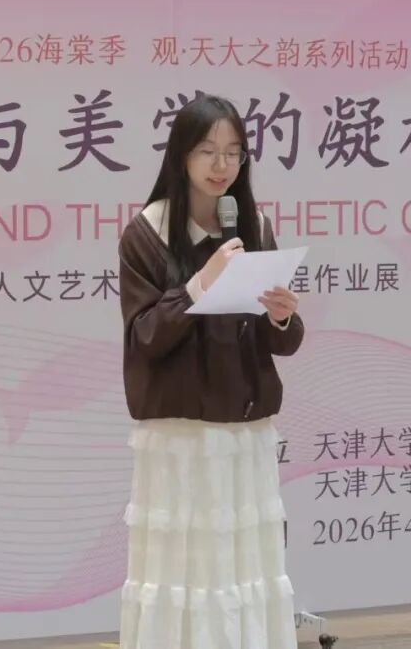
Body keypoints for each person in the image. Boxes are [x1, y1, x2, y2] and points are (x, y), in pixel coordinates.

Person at [117, 94, 303, 648]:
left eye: (234, 153)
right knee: (187, 576)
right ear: (181, 156)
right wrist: (200, 284)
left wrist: (282, 316)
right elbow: (144, 336)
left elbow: (281, 342)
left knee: (243, 572)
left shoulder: (252, 227)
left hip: (244, 429)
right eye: (207, 151)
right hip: (182, 433)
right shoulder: (147, 233)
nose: (222, 166)